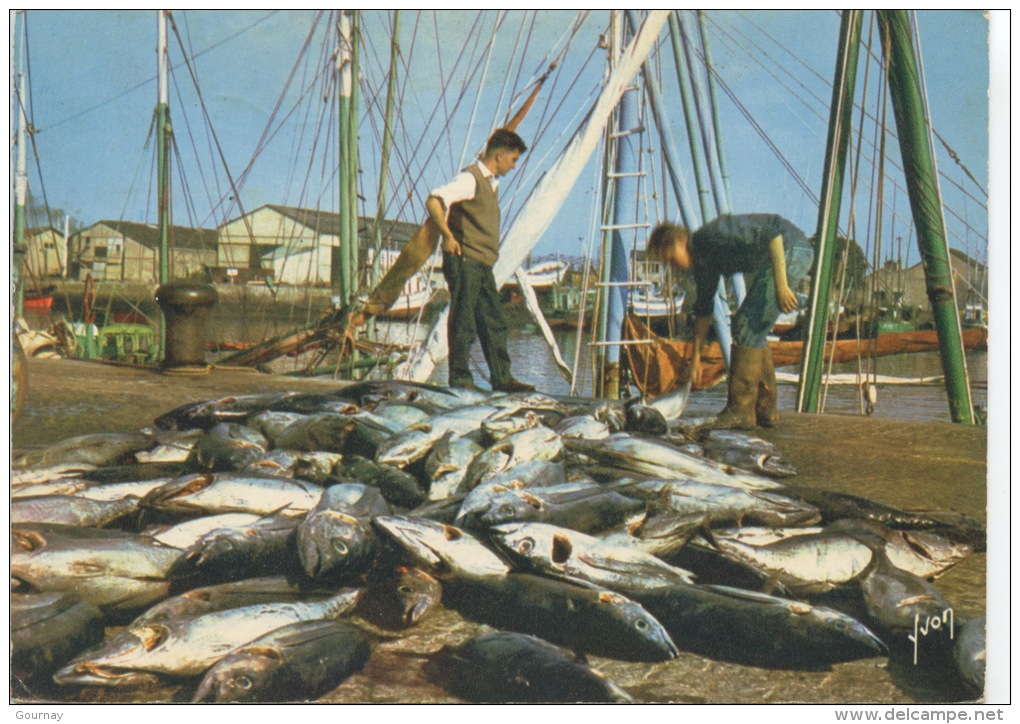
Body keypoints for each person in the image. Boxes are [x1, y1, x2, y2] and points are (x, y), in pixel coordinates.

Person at [647, 213, 815, 429]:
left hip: (789, 249)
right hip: (780, 255)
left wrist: (781, 286)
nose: (673, 266)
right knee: (748, 326)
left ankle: (741, 411)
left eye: (671, 259)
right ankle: (765, 410)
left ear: (680, 242)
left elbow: (773, 236)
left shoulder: (711, 236)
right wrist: (696, 358)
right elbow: (704, 310)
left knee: (746, 325)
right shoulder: (704, 263)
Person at [425, 128, 535, 393]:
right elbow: (434, 200)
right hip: (465, 260)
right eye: (513, 159)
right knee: (463, 320)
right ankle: (460, 379)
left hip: (482, 262)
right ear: (498, 155)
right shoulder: (470, 179)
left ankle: (502, 377)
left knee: (493, 320)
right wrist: (447, 236)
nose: (514, 165)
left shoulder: (490, 183)